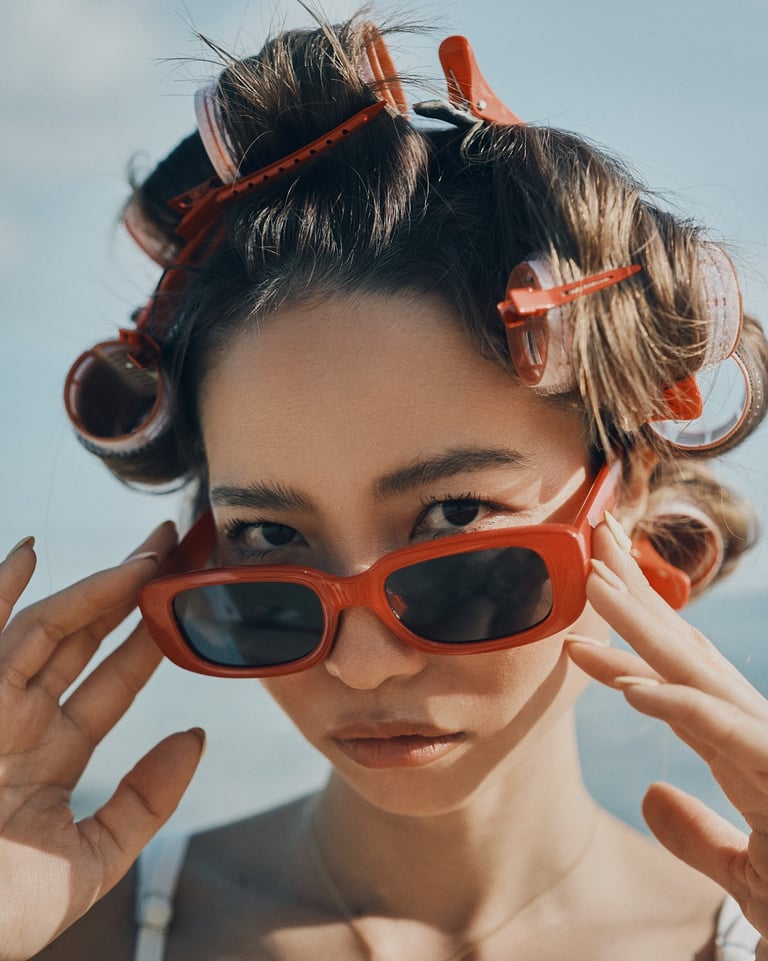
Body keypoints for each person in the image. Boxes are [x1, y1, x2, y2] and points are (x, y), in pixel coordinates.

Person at [2, 13, 767, 961]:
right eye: (270, 535)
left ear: (632, 490)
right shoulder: (74, 928)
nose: (362, 666)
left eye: (455, 517)